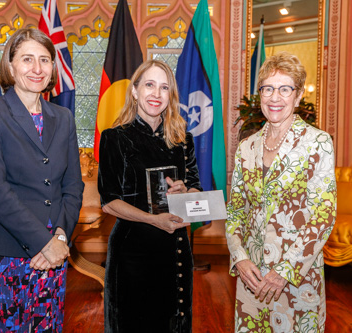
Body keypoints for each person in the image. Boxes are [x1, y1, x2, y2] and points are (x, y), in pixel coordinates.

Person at [0, 28, 84, 332]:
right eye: (27, 59)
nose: (37, 68)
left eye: (45, 60)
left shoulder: (64, 118)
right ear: (10, 66)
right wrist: (44, 243)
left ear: (53, 69)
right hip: (2, 253)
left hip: (53, 255)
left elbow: (72, 186)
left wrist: (60, 237)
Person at [225, 52, 336, 333]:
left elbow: (324, 216)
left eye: (285, 88)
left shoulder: (317, 143)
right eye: (268, 88)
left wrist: (284, 271)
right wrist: (239, 257)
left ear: (297, 96)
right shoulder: (246, 147)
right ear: (260, 94)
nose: (275, 97)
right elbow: (236, 211)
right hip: (251, 277)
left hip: (298, 277)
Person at [98, 59, 202, 333]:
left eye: (164, 87)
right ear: (135, 91)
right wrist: (152, 219)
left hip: (175, 251)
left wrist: (185, 192)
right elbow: (109, 202)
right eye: (150, 85)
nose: (156, 94)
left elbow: (196, 191)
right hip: (133, 254)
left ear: (171, 96)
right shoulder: (114, 138)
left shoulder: (184, 140)